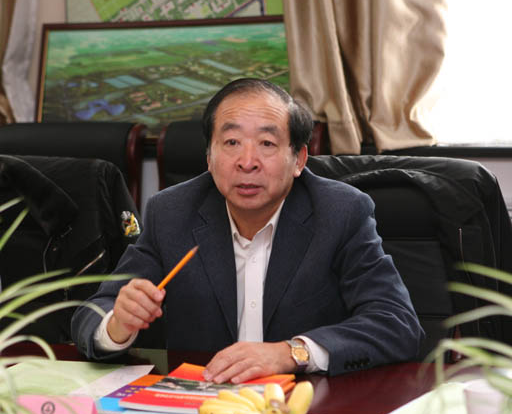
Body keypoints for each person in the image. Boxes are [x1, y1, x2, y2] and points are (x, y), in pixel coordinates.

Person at [71, 78, 424, 381]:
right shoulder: (172, 213)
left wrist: (292, 353)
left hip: (307, 410)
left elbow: (396, 324)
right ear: (209, 157)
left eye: (267, 144)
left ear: (299, 159)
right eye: (231, 143)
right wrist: (118, 324)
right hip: (199, 409)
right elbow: (92, 314)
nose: (247, 162)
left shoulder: (340, 212)